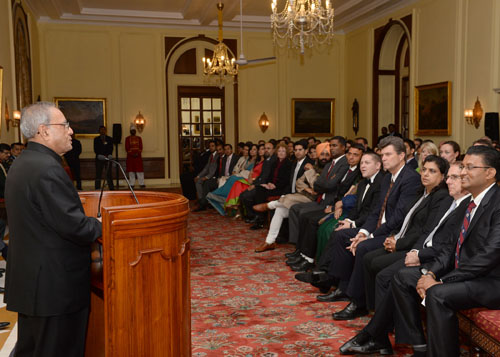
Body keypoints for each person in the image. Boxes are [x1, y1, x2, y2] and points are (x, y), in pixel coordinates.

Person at [339, 161, 470, 355]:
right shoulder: (451, 202)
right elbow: (428, 233)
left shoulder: (462, 205)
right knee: (387, 271)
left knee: (393, 276)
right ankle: (389, 337)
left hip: (441, 263)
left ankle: (376, 334)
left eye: (454, 177)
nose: (449, 181)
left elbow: (447, 247)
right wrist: (414, 252)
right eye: (449, 177)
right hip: (427, 254)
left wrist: (419, 255)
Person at [4, 102, 102, 356]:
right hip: (55, 288)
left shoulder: (24, 162)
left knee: (33, 348)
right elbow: (75, 227)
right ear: (44, 130)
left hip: (34, 282)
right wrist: (99, 224)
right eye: (65, 125)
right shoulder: (47, 169)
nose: (71, 131)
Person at [391, 145, 500, 357]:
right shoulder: (470, 203)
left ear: (490, 173)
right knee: (405, 276)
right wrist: (430, 273)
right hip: (467, 274)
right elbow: (450, 248)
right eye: (463, 166)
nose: (463, 172)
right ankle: (420, 346)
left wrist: (443, 281)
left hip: (491, 280)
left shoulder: (497, 203)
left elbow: (489, 255)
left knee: (437, 293)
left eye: (470, 167)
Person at [316, 136, 421, 320]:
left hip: (395, 234)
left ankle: (359, 302)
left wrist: (370, 236)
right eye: (383, 155)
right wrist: (363, 232)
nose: (384, 159)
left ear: (402, 155)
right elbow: (376, 212)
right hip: (380, 228)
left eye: (388, 155)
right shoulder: (388, 177)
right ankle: (342, 286)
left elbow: (398, 218)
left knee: (363, 246)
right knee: (343, 236)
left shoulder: (411, 179)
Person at [362, 155, 451, 309]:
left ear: (442, 176)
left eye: (432, 171)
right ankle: (371, 308)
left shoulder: (441, 197)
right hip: (403, 240)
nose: (425, 174)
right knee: (368, 257)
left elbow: (426, 231)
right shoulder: (421, 193)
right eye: (424, 170)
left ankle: (382, 316)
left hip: (414, 246)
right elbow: (405, 220)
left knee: (377, 264)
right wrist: (393, 236)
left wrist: (399, 244)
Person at [288, 144, 363, 271]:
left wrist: (335, 205)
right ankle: (302, 254)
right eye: (349, 154)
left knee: (313, 220)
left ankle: (309, 259)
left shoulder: (358, 173)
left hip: (342, 207)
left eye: (356, 155)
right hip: (333, 203)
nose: (351, 157)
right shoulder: (345, 168)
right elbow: (329, 185)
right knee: (306, 216)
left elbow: (343, 191)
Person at [253, 142, 327, 252]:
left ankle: (269, 205)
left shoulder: (311, 164)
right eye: (296, 150)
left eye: (300, 149)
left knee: (284, 201)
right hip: (297, 194)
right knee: (279, 211)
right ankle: (269, 242)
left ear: (306, 151)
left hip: (309, 198)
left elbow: (317, 185)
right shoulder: (294, 163)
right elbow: (298, 182)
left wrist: (308, 186)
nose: (297, 152)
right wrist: (305, 187)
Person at [287, 136, 349, 251]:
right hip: (321, 199)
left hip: (329, 203)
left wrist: (324, 183)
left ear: (343, 147)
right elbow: (316, 184)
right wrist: (324, 183)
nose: (332, 148)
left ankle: (304, 252)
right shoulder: (330, 163)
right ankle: (298, 247)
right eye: (331, 145)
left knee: (304, 214)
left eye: (335, 145)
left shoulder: (344, 162)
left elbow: (331, 185)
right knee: (295, 208)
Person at [242, 143, 292, 230]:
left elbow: (287, 180)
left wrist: (274, 185)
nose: (281, 153)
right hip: (271, 186)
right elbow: (270, 176)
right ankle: (259, 218)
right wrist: (268, 183)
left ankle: (260, 219)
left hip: (281, 189)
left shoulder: (289, 164)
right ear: (277, 152)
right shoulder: (275, 163)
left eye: (283, 151)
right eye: (279, 151)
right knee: (259, 189)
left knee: (260, 192)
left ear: (286, 153)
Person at [206, 143, 255, 215]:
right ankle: (221, 198)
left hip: (245, 178)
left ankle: (222, 197)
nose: (245, 151)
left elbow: (249, 172)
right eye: (244, 149)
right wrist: (235, 171)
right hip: (237, 175)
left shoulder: (253, 160)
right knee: (224, 179)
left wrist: (238, 173)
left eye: (247, 150)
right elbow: (236, 168)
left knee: (232, 179)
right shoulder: (243, 158)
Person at [225, 144, 266, 210]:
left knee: (238, 184)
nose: (260, 151)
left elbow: (262, 175)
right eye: (260, 149)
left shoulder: (266, 162)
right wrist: (250, 177)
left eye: (263, 149)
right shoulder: (258, 161)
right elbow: (251, 172)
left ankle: (236, 204)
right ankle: (235, 204)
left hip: (256, 182)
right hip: (250, 179)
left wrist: (253, 182)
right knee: (237, 183)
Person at [94, 125, 114, 190]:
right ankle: (97, 188)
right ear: (99, 131)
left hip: (108, 158)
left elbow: (111, 148)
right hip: (99, 159)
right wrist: (101, 155)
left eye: (104, 129)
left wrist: (107, 155)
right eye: (101, 130)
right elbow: (95, 149)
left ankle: (111, 188)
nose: (102, 131)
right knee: (98, 174)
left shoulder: (110, 139)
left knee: (109, 174)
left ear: (106, 131)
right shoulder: (96, 139)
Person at [125, 123, 145, 188]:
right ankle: (131, 184)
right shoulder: (127, 138)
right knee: (131, 171)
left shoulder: (139, 138)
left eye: (134, 130)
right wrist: (132, 154)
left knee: (140, 171)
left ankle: (141, 184)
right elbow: (127, 148)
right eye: (132, 130)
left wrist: (137, 153)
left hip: (138, 157)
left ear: (135, 131)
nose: (133, 131)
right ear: (130, 131)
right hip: (130, 157)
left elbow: (141, 147)